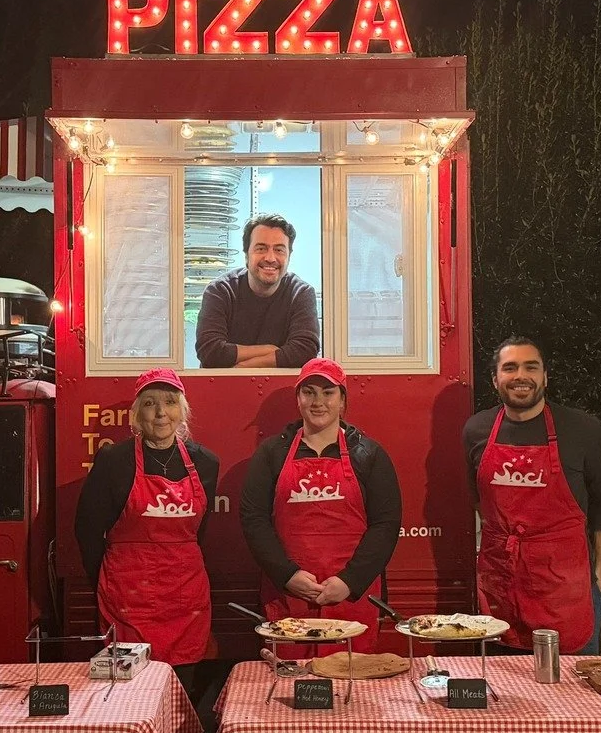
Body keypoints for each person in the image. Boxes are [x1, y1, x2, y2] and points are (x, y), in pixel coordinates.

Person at [462, 337, 601, 654]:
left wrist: (599, 570)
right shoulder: (476, 429)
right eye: (510, 368)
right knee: (503, 692)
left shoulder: (583, 429)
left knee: (574, 695)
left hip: (565, 586)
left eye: (530, 367)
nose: (521, 375)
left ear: (545, 376)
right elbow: (479, 499)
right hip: (501, 585)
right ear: (496, 380)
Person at [240, 358, 401, 652]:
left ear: (343, 401)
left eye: (328, 393)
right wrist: (287, 575)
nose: (318, 402)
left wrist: (349, 581)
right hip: (290, 596)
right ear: (298, 399)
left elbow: (386, 526)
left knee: (350, 686)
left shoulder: (369, 454)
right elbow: (254, 520)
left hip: (351, 598)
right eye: (309, 392)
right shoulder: (271, 453)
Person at [75, 369, 219, 677]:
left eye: (169, 402)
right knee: (126, 693)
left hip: (185, 596)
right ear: (138, 412)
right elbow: (86, 530)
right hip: (128, 599)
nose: (160, 412)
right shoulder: (114, 460)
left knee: (184, 691)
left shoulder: (207, 463)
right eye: (150, 403)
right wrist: (107, 582)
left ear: (182, 410)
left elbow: (199, 533)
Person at [195, 213, 320, 369]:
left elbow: (305, 350)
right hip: (221, 390)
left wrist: (245, 367)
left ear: (289, 256)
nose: (270, 258)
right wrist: (270, 350)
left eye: (279, 250)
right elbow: (209, 350)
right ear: (247, 255)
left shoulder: (300, 293)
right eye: (261, 248)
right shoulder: (220, 290)